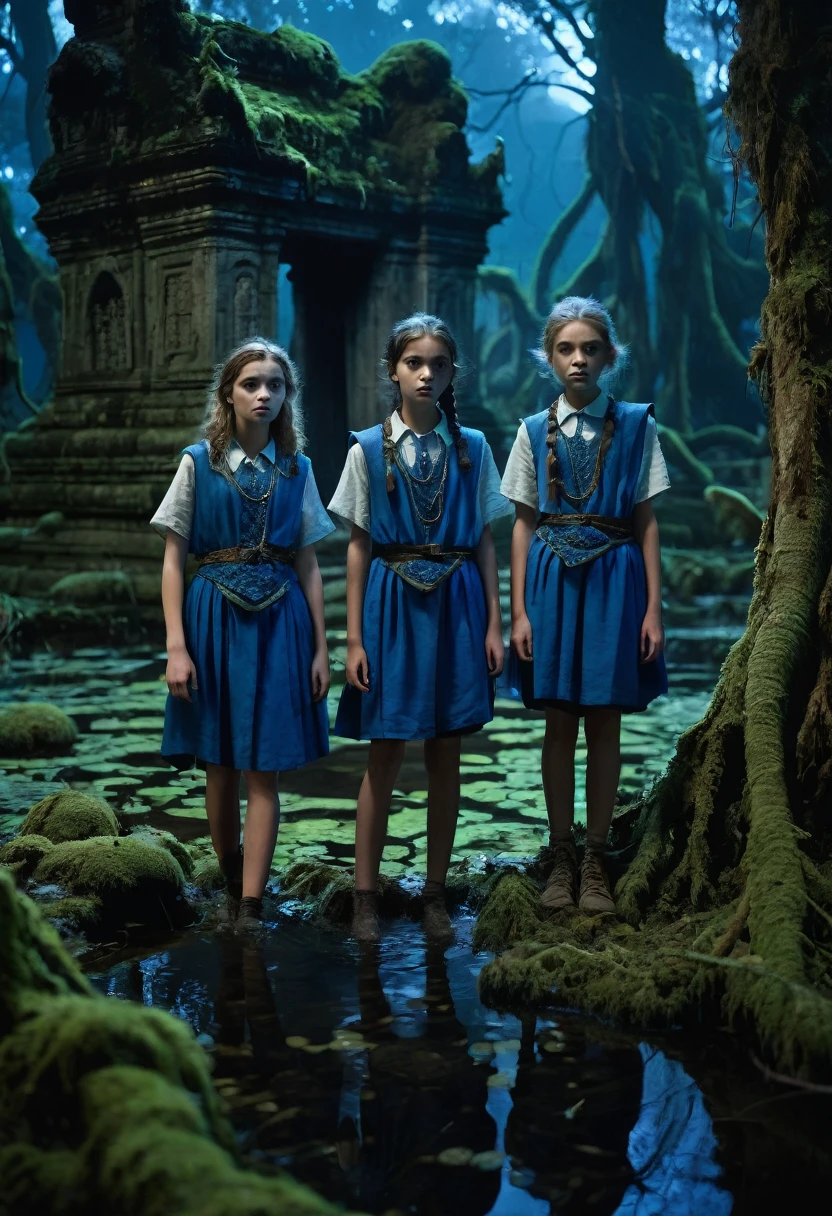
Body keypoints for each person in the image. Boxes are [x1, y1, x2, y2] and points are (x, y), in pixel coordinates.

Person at [328, 313, 510, 942]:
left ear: (453, 372)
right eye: (414, 363)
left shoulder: (475, 447)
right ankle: (365, 895)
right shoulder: (367, 449)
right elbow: (356, 547)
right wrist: (352, 638)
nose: (426, 373)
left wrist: (495, 622)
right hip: (390, 604)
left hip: (458, 603)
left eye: (438, 364)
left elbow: (486, 542)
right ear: (394, 371)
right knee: (383, 753)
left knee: (446, 753)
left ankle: (435, 892)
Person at [151, 337, 334, 932]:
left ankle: (251, 907)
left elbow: (307, 562)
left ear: (288, 397)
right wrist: (177, 646)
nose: (263, 394)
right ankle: (232, 877)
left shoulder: (297, 467)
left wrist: (321, 646)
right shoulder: (197, 462)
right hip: (211, 618)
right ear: (227, 393)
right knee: (220, 763)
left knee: (264, 767)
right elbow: (174, 559)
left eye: (275, 386)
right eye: (251, 384)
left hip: (282, 619)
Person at [501, 296, 669, 915]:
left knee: (605, 720)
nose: (579, 359)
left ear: (610, 356)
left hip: (617, 578)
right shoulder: (529, 430)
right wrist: (518, 610)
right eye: (566, 349)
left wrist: (652, 609)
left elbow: (646, 522)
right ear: (549, 358)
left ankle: (597, 859)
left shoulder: (637, 425)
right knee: (559, 720)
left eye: (590, 348)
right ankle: (562, 854)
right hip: (549, 583)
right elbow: (521, 525)